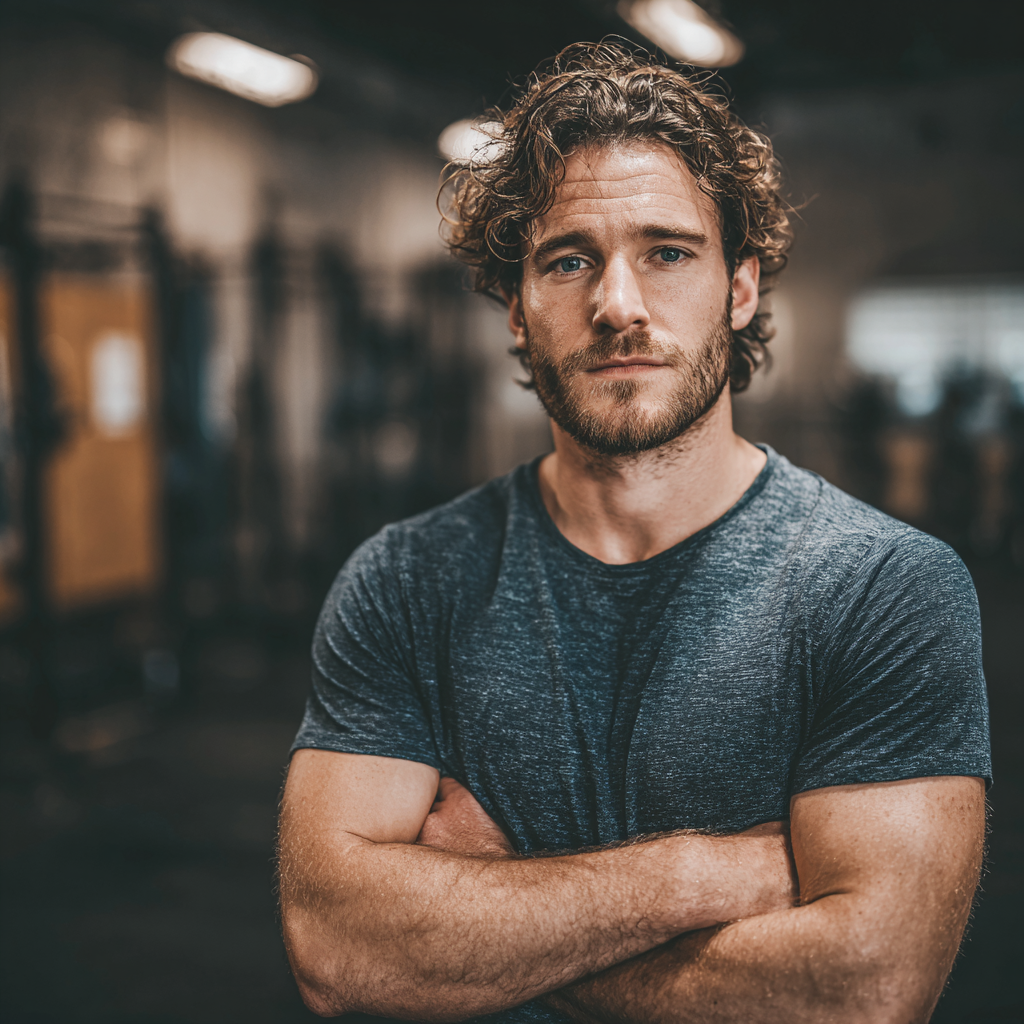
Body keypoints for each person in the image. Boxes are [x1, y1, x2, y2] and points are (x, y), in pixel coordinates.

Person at [278, 42, 990, 1023]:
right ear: (517, 311)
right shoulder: (407, 580)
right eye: (569, 261)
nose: (618, 304)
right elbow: (338, 948)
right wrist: (702, 875)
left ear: (739, 289)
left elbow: (864, 986)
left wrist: (500, 907)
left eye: (667, 251)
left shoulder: (882, 587)